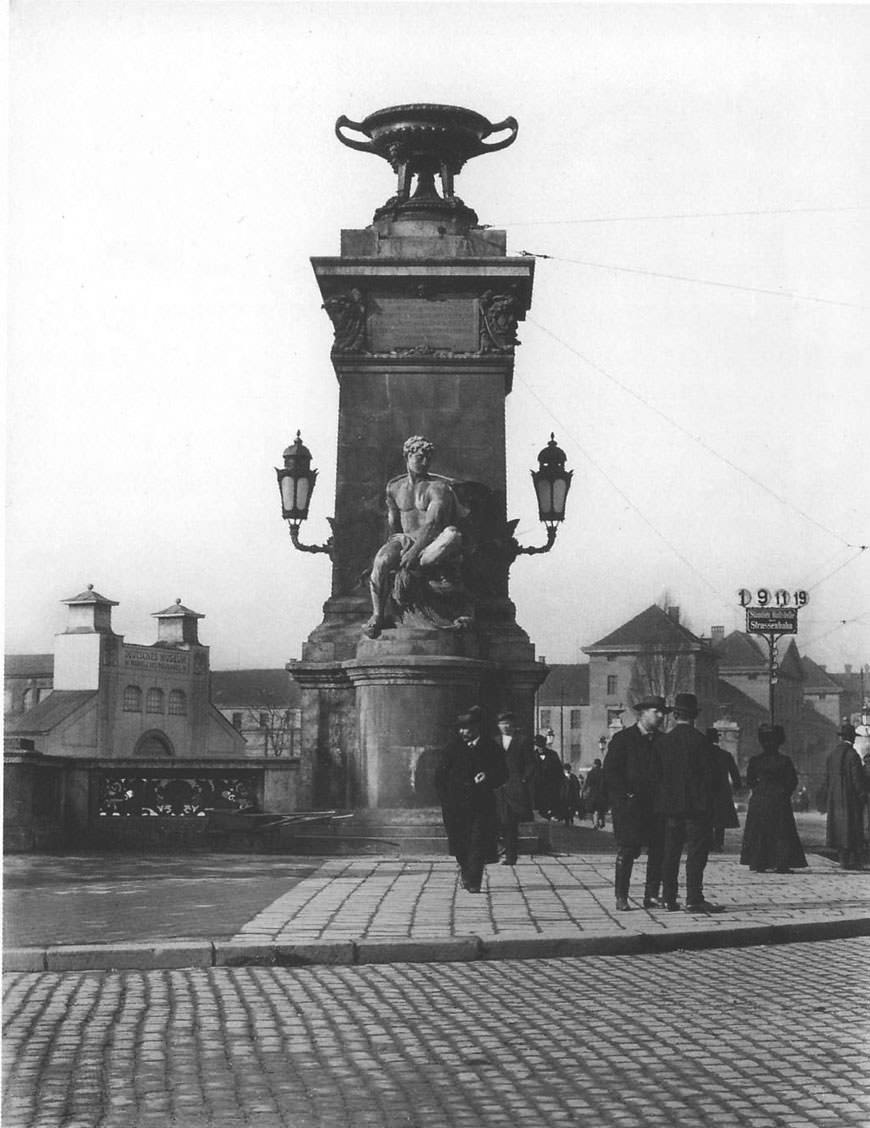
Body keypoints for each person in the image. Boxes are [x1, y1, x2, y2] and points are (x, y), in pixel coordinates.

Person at [363, 435, 464, 639]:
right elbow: (394, 526)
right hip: (404, 540)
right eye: (420, 457)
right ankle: (378, 615)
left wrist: (414, 552)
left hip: (431, 544)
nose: (425, 462)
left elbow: (433, 524)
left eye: (428, 458)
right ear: (407, 456)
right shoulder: (394, 488)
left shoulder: (438, 488)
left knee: (452, 534)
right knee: (381, 561)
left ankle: (421, 568)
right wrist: (394, 550)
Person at [653, 693, 721, 913]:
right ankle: (694, 898)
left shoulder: (663, 742)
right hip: (697, 809)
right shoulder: (702, 742)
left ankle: (668, 898)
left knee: (670, 852)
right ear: (695, 716)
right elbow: (711, 778)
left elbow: (655, 777)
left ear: (674, 715)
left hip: (670, 808)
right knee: (696, 853)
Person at [603, 695, 668, 911]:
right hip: (630, 807)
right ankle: (621, 896)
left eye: (662, 712)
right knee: (627, 851)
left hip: (656, 807)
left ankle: (651, 896)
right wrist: (624, 797)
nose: (660, 716)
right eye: (655, 711)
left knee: (658, 851)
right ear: (642, 713)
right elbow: (611, 773)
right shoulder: (623, 739)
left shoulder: (663, 741)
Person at [435, 707, 507, 893]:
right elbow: (439, 776)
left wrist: (488, 776)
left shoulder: (491, 748)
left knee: (477, 841)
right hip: (455, 805)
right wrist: (447, 798)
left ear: (476, 728)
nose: (462, 732)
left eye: (466, 728)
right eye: (460, 728)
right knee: (460, 844)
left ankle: (473, 880)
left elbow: (503, 773)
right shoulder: (452, 748)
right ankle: (466, 870)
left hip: (481, 804)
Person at [739, 724, 808, 874]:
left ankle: (759, 862)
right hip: (779, 800)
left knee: (760, 832)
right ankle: (781, 863)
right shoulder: (785, 760)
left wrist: (759, 789)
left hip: (760, 800)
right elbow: (792, 781)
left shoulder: (755, 760)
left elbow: (750, 781)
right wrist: (783, 792)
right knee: (781, 832)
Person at [493, 711, 535, 865]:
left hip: (515, 787)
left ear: (514, 726)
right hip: (497, 788)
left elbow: (530, 764)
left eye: (509, 724)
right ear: (498, 726)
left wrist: (523, 779)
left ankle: (511, 856)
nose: (506, 727)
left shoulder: (522, 741)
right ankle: (496, 851)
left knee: (511, 823)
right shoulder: (494, 742)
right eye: (503, 724)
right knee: (496, 820)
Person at [824, 723, 866, 870]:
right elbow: (857, 780)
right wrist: (863, 796)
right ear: (852, 738)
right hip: (850, 799)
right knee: (852, 828)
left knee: (839, 829)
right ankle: (853, 861)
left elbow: (828, 779)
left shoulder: (832, 755)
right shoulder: (853, 755)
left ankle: (843, 860)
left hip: (835, 799)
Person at [707, 728, 741, 851]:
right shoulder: (725, 755)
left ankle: (708, 842)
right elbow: (734, 773)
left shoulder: (701, 754)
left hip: (705, 789)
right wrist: (737, 786)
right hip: (722, 789)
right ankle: (718, 844)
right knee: (720, 820)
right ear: (717, 739)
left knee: (706, 817)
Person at [531, 734, 566, 820]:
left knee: (548, 811)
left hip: (550, 789)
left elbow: (559, 771)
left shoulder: (553, 755)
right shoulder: (531, 756)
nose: (540, 748)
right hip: (536, 788)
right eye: (538, 745)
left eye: (542, 745)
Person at [583, 758, 607, 829]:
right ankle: (602, 821)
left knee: (593, 810)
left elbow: (587, 783)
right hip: (602, 793)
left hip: (593, 793)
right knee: (601, 809)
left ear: (595, 764)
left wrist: (584, 790)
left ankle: (595, 824)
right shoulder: (603, 772)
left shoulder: (591, 772)